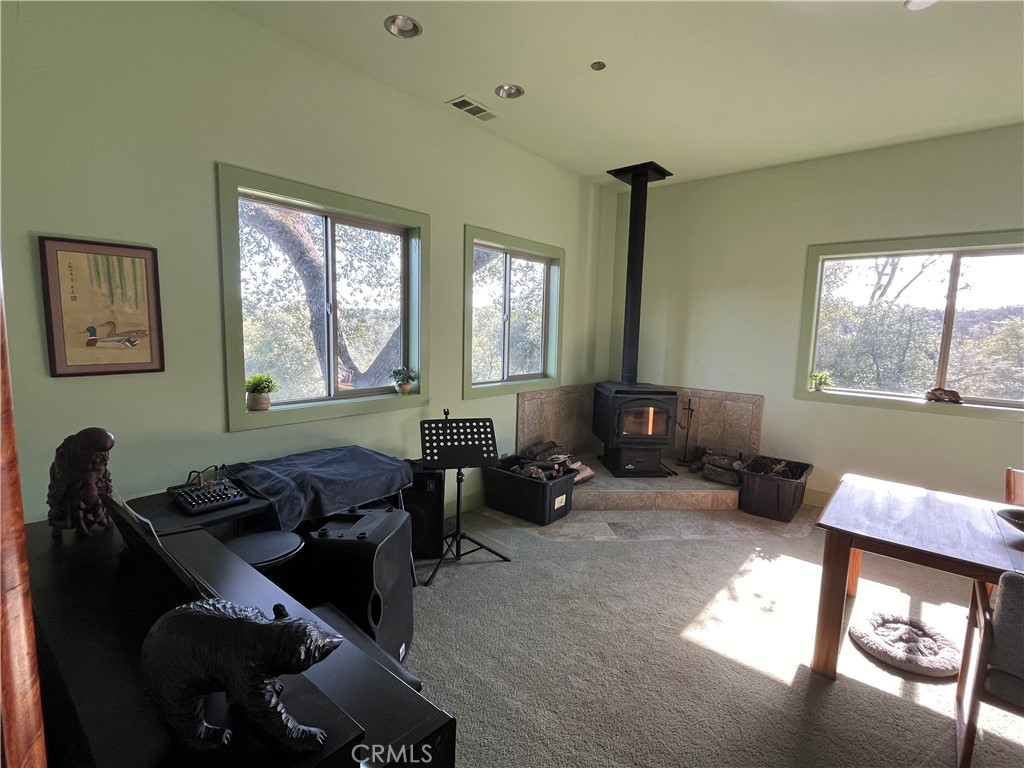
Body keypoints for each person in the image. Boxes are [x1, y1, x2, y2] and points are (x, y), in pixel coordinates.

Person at [47, 427, 115, 538]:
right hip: (73, 489)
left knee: (100, 502)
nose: (105, 457)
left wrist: (101, 477)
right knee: (69, 506)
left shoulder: (98, 459)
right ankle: (64, 525)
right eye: (100, 454)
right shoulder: (64, 455)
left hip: (93, 489)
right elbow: (63, 476)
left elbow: (102, 472)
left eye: (106, 453)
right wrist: (85, 477)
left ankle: (99, 518)